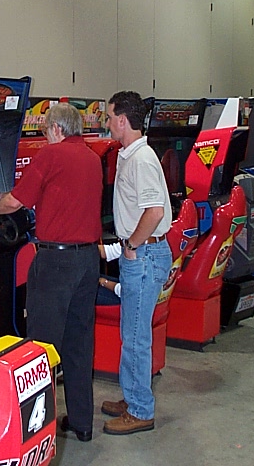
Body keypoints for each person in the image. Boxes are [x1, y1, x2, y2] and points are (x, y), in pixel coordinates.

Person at [0, 102, 102, 442]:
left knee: (41, 348)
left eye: (47, 129)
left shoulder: (51, 155)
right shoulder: (92, 158)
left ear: (57, 129)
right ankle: (82, 423)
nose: (47, 135)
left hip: (55, 262)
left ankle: (38, 428)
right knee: (79, 344)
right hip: (87, 260)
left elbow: (16, 202)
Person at [99, 91, 172, 436]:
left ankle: (141, 410)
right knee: (131, 334)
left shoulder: (141, 159)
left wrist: (130, 245)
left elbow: (154, 212)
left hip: (145, 256)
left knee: (136, 337)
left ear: (123, 120)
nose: (106, 123)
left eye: (109, 117)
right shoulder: (130, 155)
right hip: (140, 255)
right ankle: (132, 396)